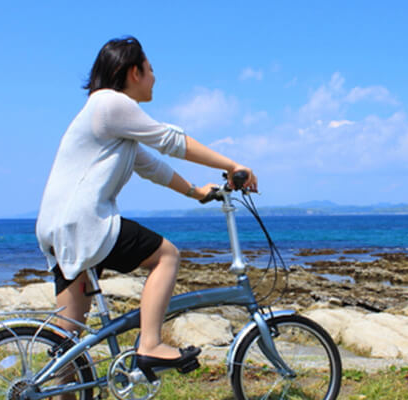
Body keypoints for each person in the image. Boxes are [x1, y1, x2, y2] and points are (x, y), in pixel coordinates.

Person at [35, 36, 257, 387]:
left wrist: (195, 192)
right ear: (133, 72)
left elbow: (151, 165)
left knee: (69, 340)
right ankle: (150, 343)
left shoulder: (107, 119)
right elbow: (171, 141)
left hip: (57, 226)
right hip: (84, 222)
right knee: (167, 255)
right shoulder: (110, 104)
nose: (155, 77)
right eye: (151, 70)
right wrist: (233, 164)